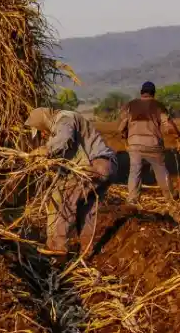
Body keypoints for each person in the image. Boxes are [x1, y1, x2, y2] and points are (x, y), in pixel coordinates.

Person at [25, 108, 118, 256]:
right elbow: (67, 153)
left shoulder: (64, 118)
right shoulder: (66, 122)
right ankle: (86, 251)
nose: (43, 133)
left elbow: (63, 139)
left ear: (44, 121)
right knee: (86, 209)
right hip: (107, 166)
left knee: (63, 197)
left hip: (95, 166)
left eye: (41, 129)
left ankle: (57, 246)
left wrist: (46, 149)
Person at [118, 81, 180, 204]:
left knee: (135, 172)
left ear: (141, 92)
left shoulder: (130, 106)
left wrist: (125, 141)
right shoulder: (158, 106)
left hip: (134, 145)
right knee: (161, 170)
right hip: (153, 145)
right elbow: (168, 125)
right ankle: (170, 199)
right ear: (153, 93)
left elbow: (122, 126)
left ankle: (132, 200)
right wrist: (178, 138)